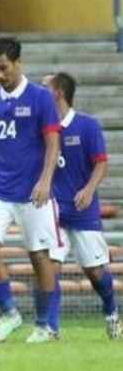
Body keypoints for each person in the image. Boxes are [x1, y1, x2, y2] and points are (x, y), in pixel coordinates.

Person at [0, 37, 62, 344]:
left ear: (18, 63)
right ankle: (10, 313)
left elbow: (53, 141)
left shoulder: (40, 97)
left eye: (4, 68)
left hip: (33, 193)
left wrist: (45, 180)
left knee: (40, 257)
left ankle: (44, 325)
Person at [43, 72, 121, 339]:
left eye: (45, 88)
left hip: (82, 211)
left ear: (58, 93)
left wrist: (88, 190)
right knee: (50, 267)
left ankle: (111, 311)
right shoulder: (42, 127)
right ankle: (51, 327)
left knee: (95, 272)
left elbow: (101, 161)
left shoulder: (87, 125)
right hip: (52, 211)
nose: (39, 92)